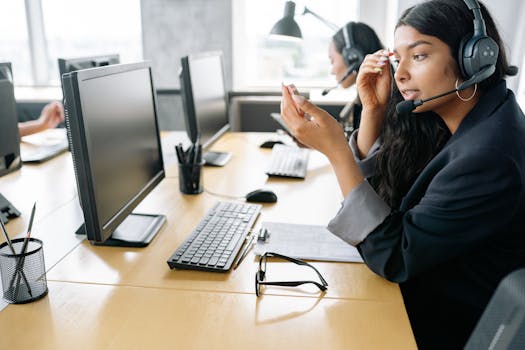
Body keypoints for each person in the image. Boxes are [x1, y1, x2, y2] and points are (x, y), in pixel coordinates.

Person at [280, 0, 525, 348]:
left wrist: (336, 151)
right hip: (419, 304)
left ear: (475, 57)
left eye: (420, 56)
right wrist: (373, 111)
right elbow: (387, 203)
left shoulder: (488, 156)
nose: (400, 74)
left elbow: (393, 254)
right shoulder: (472, 120)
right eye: (398, 58)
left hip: (439, 327)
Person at [327, 22, 383, 132]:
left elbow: (364, 149)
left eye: (332, 61)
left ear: (353, 58)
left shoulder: (378, 102)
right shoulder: (364, 97)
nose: (332, 71)